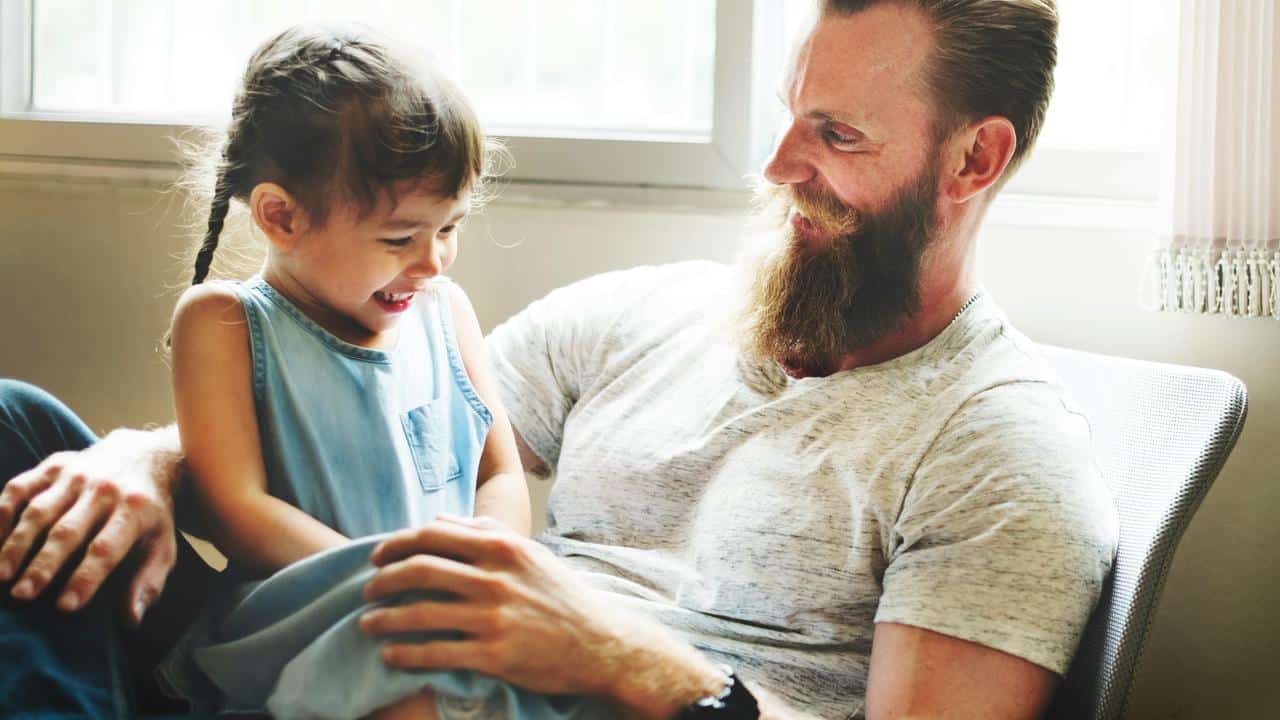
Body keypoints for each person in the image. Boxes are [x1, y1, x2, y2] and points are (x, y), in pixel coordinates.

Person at [0, 1, 1118, 718]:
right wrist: (144, 459)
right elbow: (356, 397)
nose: (777, 165)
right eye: (789, 116)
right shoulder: (643, 316)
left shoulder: (998, 451)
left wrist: (636, 665)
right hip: (365, 644)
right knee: (20, 428)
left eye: (836, 135)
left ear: (973, 159)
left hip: (500, 696)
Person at [148, 24, 613, 720]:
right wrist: (396, 582)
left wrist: (488, 558)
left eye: (449, 228)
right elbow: (235, 510)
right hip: (313, 610)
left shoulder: (446, 310)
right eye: (400, 239)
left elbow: (499, 473)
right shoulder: (223, 322)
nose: (434, 262)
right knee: (406, 684)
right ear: (282, 217)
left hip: (453, 608)